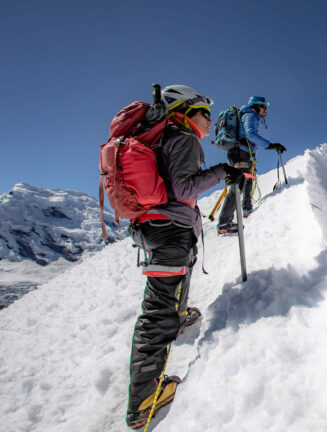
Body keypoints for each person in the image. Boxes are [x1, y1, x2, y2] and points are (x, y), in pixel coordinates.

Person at [125, 84, 242, 429]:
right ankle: (144, 399)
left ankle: (177, 317)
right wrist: (224, 171)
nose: (209, 120)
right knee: (158, 312)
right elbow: (184, 189)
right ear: (186, 111)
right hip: (170, 231)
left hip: (157, 227)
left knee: (173, 288)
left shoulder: (164, 137)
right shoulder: (184, 138)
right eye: (205, 112)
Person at [216, 95, 286, 234]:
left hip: (242, 153)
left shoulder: (250, 115)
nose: (266, 109)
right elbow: (250, 134)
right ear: (256, 106)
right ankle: (224, 222)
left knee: (249, 178)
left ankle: (246, 209)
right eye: (263, 106)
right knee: (239, 183)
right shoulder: (250, 115)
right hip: (240, 153)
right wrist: (270, 145)